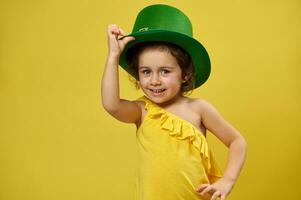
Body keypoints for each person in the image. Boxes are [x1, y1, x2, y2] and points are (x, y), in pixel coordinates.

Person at [101, 4, 247, 200]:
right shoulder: (143, 110)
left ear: (185, 74)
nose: (154, 81)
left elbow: (237, 141)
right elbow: (111, 105)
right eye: (146, 72)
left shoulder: (198, 109)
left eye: (165, 71)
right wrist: (113, 56)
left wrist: (227, 180)